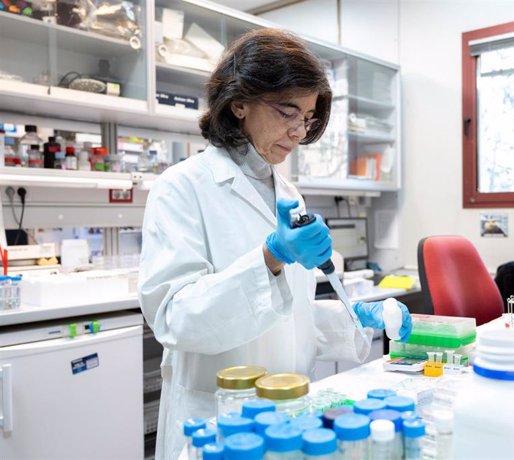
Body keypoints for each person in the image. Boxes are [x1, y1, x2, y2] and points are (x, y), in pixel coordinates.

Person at [138, 28, 412, 460]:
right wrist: (270, 257)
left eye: (306, 117)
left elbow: (285, 315)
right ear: (240, 102)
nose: (299, 131)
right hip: (218, 421)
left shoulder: (289, 194)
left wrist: (352, 319)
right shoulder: (181, 187)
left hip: (288, 417)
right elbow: (176, 318)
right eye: (288, 111)